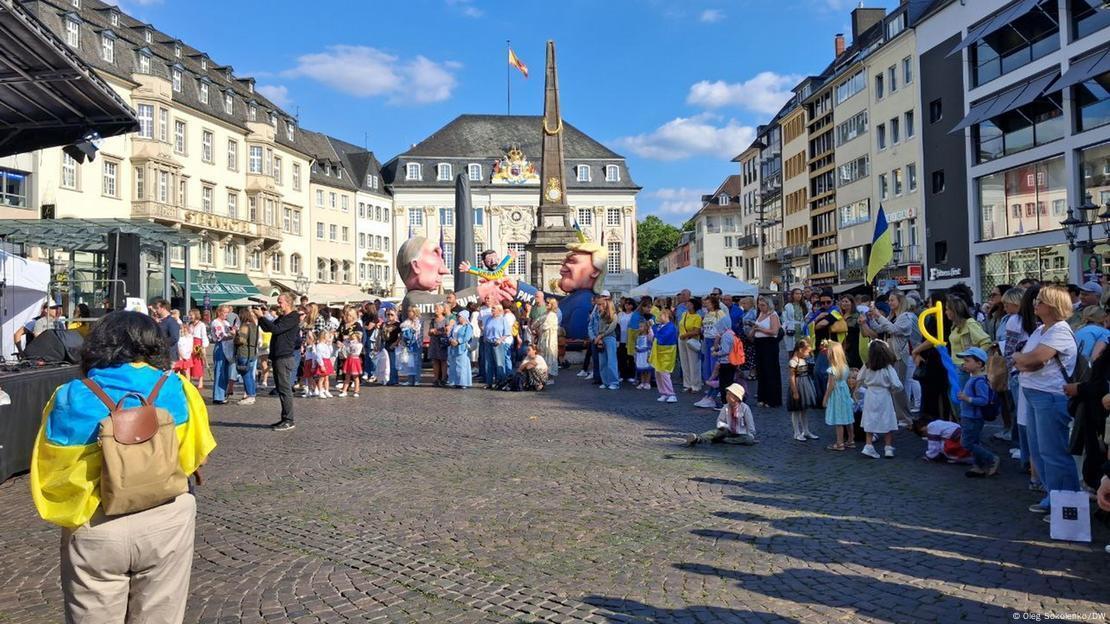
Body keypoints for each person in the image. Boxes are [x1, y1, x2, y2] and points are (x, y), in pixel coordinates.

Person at [30, 311, 215, 623]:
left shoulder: (67, 396)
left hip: (97, 524)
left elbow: (51, 471)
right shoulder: (179, 388)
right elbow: (197, 456)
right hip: (166, 517)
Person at [1014, 285, 1081, 518]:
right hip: (1034, 393)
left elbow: (1034, 359)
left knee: (1053, 452)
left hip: (1050, 396)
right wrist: (1023, 360)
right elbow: (1028, 361)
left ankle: (1066, 505)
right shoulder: (1041, 330)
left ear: (1052, 306)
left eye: (1040, 301)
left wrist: (1020, 358)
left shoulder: (1059, 331)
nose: (1035, 304)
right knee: (1039, 450)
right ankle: (1053, 496)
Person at [861, 292, 916, 427]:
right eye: (889, 300)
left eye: (892, 300)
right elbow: (879, 329)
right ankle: (897, 415)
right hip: (889, 355)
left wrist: (879, 316)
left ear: (900, 301)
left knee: (898, 387)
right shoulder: (892, 316)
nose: (889, 303)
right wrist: (871, 319)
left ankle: (906, 417)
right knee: (892, 387)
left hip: (899, 355)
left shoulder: (906, 317)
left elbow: (893, 329)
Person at [955, 346, 1001, 478]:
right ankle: (978, 466)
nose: (964, 363)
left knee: (967, 443)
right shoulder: (973, 378)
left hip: (973, 417)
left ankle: (992, 459)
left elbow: (983, 400)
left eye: (967, 361)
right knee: (974, 442)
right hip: (968, 416)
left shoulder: (979, 381)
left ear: (979, 364)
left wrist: (967, 398)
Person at [257, 294, 300, 431]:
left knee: (285, 389)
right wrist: (261, 317)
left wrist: (262, 317)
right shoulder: (282, 317)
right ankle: (284, 418)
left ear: (288, 303)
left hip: (284, 357)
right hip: (277, 356)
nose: (278, 305)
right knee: (281, 389)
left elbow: (276, 329)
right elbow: (268, 328)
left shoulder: (293, 317)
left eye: (280, 302)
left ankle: (289, 420)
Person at [858, 340, 903, 459]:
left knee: (870, 419)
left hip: (870, 395)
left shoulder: (867, 366)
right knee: (887, 418)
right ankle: (888, 448)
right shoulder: (887, 368)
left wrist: (866, 384)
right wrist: (892, 389)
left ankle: (869, 445)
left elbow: (859, 377)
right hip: (884, 395)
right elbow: (897, 384)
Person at [682, 383, 756, 446]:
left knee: (749, 439)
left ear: (737, 398)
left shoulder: (745, 408)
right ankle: (698, 438)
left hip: (741, 433)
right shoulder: (726, 407)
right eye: (727, 394)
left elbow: (750, 423)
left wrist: (751, 434)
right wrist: (723, 427)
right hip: (728, 431)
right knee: (714, 432)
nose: (727, 397)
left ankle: (725, 440)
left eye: (730, 395)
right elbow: (720, 420)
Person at [750, 296, 783, 408]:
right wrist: (754, 330)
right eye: (759, 305)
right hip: (759, 344)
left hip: (769, 344)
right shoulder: (760, 314)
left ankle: (772, 399)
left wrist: (759, 329)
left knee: (770, 371)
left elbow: (774, 331)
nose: (761, 307)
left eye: (763, 305)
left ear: (769, 305)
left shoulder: (773, 315)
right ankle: (762, 397)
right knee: (761, 371)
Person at [822, 341, 855, 451]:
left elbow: (831, 385)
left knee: (838, 419)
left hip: (836, 396)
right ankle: (851, 440)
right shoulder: (845, 366)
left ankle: (839, 443)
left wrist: (825, 398)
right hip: (844, 393)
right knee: (848, 417)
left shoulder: (832, 369)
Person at [787, 340, 819, 441]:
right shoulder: (793, 361)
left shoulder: (803, 359)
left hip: (805, 384)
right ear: (800, 350)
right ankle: (796, 432)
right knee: (796, 410)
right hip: (798, 386)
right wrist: (795, 391)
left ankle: (806, 431)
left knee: (804, 409)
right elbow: (791, 377)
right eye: (807, 352)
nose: (808, 354)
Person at [648, 309, 678, 403]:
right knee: (658, 373)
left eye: (661, 315)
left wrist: (653, 327)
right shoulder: (660, 326)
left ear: (667, 316)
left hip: (666, 353)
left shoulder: (671, 327)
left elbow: (662, 338)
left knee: (665, 373)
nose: (659, 317)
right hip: (658, 351)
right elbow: (653, 337)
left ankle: (671, 394)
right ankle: (663, 392)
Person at [209, 306, 236, 405]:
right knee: (219, 371)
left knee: (225, 372)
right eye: (225, 312)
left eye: (227, 312)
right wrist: (232, 335)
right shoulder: (215, 322)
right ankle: (218, 396)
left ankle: (224, 393)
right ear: (219, 312)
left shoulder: (226, 323)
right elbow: (220, 336)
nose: (226, 314)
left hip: (228, 347)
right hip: (220, 347)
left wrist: (234, 332)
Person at [234, 307, 260, 406]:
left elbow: (242, 340)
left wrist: (235, 335)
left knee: (246, 376)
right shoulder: (254, 325)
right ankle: (252, 394)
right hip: (252, 353)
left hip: (244, 353)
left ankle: (250, 396)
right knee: (250, 375)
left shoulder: (244, 326)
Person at [677, 297, 703, 393]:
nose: (687, 305)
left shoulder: (697, 317)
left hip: (691, 339)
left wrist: (685, 335)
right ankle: (687, 384)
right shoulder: (684, 314)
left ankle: (695, 385)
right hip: (682, 339)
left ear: (694, 306)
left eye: (690, 304)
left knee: (693, 363)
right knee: (684, 363)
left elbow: (697, 331)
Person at [483, 304, 512, 388]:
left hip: (497, 343)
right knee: (488, 363)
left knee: (499, 363)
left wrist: (500, 340)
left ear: (499, 310)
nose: (492, 310)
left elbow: (507, 333)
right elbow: (485, 330)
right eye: (492, 308)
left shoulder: (503, 320)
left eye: (494, 308)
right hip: (488, 342)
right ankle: (489, 382)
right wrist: (485, 338)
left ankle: (500, 382)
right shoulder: (489, 319)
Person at [595, 300, 621, 390]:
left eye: (600, 304)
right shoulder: (600, 315)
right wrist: (599, 337)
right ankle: (605, 382)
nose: (598, 306)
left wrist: (600, 336)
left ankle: (614, 382)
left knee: (611, 361)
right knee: (602, 362)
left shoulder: (614, 315)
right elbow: (598, 327)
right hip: (601, 338)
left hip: (610, 338)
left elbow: (611, 328)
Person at [447, 310, 474, 389]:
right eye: (458, 316)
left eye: (459, 316)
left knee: (462, 366)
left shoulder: (468, 327)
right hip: (453, 348)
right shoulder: (455, 325)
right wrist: (451, 340)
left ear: (464, 317)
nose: (458, 318)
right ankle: (454, 381)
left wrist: (458, 341)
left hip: (462, 348)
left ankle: (462, 382)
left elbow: (467, 337)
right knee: (453, 365)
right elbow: (450, 334)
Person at [537, 298, 560, 384]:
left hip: (549, 340)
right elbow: (536, 322)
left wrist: (538, 327)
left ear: (552, 304)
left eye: (548, 303)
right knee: (543, 357)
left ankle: (550, 378)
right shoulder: (545, 313)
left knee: (549, 357)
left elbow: (544, 326)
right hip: (543, 338)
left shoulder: (552, 315)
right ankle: (543, 377)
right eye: (546, 302)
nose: (546, 304)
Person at [428, 305, 449, 386]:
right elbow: (429, 333)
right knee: (435, 361)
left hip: (442, 342)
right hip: (434, 342)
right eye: (435, 308)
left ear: (442, 310)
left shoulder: (445, 320)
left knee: (443, 360)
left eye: (437, 309)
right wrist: (431, 331)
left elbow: (447, 331)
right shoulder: (433, 320)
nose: (435, 310)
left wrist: (438, 332)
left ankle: (443, 379)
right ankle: (436, 379)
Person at [339, 331, 363, 397]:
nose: (352, 339)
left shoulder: (359, 344)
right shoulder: (349, 344)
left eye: (353, 338)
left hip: (355, 360)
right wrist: (345, 344)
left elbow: (356, 350)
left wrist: (349, 343)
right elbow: (346, 350)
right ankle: (344, 391)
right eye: (351, 338)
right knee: (347, 377)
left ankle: (356, 391)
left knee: (355, 377)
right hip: (349, 359)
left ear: (357, 338)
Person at [312, 330, 335, 398]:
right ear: (323, 337)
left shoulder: (326, 345)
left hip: (327, 361)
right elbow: (318, 356)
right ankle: (320, 392)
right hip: (323, 361)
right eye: (328, 336)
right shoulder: (319, 345)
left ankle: (327, 390)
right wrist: (321, 365)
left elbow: (330, 352)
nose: (329, 338)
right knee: (321, 378)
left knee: (327, 378)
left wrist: (330, 344)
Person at [634, 320, 654, 389]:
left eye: (641, 326)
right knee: (642, 369)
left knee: (647, 369)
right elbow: (637, 344)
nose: (639, 328)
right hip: (640, 355)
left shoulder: (648, 336)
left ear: (646, 327)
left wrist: (650, 327)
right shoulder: (638, 336)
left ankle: (647, 383)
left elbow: (652, 336)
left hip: (646, 354)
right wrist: (635, 352)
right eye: (639, 327)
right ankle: (642, 382)